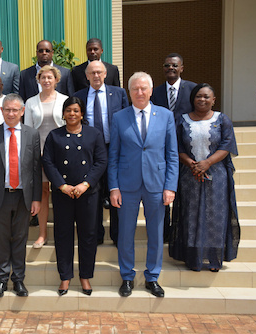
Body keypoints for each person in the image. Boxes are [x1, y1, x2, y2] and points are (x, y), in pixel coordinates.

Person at [109, 72, 178, 298]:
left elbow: (172, 154)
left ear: (151, 90)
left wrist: (170, 186)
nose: (140, 92)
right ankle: (127, 276)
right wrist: (113, 187)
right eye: (135, 89)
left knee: (156, 233)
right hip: (127, 184)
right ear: (129, 92)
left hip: (157, 184)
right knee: (125, 233)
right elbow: (114, 155)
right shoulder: (119, 117)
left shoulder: (166, 116)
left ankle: (153, 277)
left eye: (143, 88)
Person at [169, 83, 240, 272]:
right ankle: (193, 258)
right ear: (193, 99)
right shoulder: (182, 120)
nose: (202, 100)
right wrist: (193, 164)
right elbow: (177, 147)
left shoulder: (222, 120)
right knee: (191, 216)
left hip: (216, 176)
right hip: (189, 175)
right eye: (198, 96)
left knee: (215, 217)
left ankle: (214, 259)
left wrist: (207, 163)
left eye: (206, 97)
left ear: (213, 100)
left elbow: (227, 145)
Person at [42, 96, 107, 296]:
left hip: (88, 193)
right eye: (68, 110)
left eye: (76, 110)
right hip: (63, 194)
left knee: (88, 236)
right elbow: (48, 162)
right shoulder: (54, 136)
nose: (72, 114)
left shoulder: (94, 134)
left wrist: (85, 184)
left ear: (81, 114)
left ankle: (85, 277)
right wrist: (62, 186)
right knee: (63, 236)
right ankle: (65, 277)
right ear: (63, 113)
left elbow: (101, 161)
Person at [0, 94, 42, 298]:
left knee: (20, 239)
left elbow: (36, 169)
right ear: (1, 111)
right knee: (2, 238)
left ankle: (18, 280)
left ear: (22, 111)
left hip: (24, 196)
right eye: (7, 109)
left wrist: (36, 198)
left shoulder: (32, 135)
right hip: (0, 196)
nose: (11, 113)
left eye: (15, 110)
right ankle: (1, 279)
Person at [74, 60, 129, 245]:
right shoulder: (79, 95)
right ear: (86, 76)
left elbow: (127, 120)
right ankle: (95, 234)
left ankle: (117, 234)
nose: (96, 76)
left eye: (99, 72)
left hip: (114, 147)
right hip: (90, 152)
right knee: (93, 192)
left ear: (105, 74)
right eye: (92, 73)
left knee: (114, 189)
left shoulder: (119, 93)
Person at [151, 53, 197, 243]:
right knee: (164, 192)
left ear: (181, 68)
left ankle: (181, 231)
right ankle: (165, 232)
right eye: (167, 65)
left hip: (187, 149)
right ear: (163, 68)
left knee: (184, 193)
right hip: (161, 150)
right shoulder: (155, 92)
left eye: (175, 65)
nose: (171, 68)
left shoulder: (193, 89)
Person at [24, 65, 67, 248]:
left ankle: (62, 233)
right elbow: (27, 130)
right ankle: (42, 234)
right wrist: (35, 153)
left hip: (61, 152)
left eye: (50, 77)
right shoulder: (30, 102)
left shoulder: (65, 100)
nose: (47, 80)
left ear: (57, 80)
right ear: (38, 80)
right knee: (42, 192)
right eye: (43, 77)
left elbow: (68, 128)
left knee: (61, 192)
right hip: (38, 152)